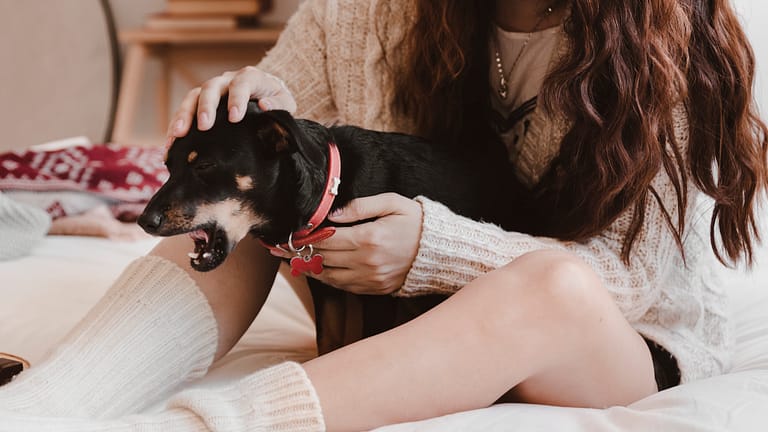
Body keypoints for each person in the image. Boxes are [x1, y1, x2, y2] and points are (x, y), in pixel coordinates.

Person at [1, 0, 766, 431]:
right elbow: (276, 112)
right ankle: (50, 408)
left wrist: (434, 251)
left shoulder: (673, 39)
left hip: (610, 343)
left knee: (552, 285)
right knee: (254, 197)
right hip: (395, 311)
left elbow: (630, 282)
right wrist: (238, 102)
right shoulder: (362, 12)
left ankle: (202, 429)